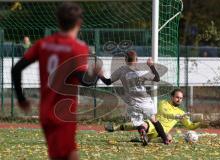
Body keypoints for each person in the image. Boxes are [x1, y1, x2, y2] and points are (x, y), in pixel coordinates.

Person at [12, 2, 98, 160]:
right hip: (64, 114)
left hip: (45, 111)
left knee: (65, 155)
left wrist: (21, 99)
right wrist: (96, 75)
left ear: (58, 21)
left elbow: (16, 69)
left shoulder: (43, 44)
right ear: (79, 23)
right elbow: (85, 81)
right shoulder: (78, 48)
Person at [98, 50, 169, 146]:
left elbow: (107, 82)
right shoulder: (142, 70)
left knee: (139, 122)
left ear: (125, 60)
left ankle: (143, 132)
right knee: (154, 120)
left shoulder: (121, 70)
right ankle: (165, 140)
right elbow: (157, 78)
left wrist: (99, 74)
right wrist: (151, 65)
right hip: (146, 102)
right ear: (137, 59)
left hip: (132, 103)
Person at [105, 88, 201, 143]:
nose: (179, 100)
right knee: (142, 124)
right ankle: (115, 128)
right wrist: (176, 117)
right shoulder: (164, 103)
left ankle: (143, 139)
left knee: (169, 137)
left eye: (181, 98)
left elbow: (190, 126)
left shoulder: (181, 112)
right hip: (153, 125)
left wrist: (200, 122)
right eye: (177, 97)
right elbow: (165, 113)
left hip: (161, 133)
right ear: (172, 97)